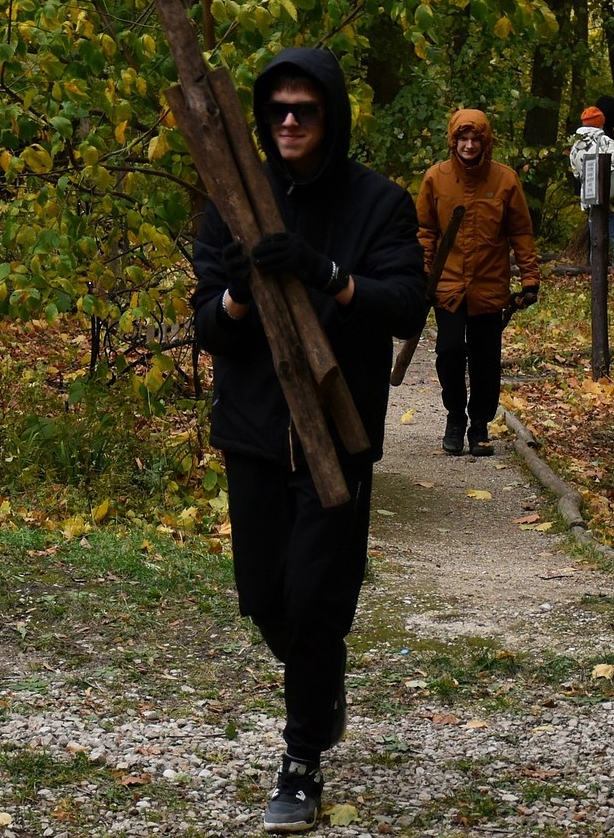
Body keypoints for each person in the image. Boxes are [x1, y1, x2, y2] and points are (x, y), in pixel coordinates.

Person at [191, 47, 427, 834]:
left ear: (333, 116)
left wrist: (325, 274)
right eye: (277, 111)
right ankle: (320, 683)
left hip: (338, 432)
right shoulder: (232, 201)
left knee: (317, 602)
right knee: (263, 597)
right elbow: (203, 328)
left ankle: (300, 764)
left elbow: (404, 305)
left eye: (306, 110)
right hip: (254, 430)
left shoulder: (378, 204)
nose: (289, 122)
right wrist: (234, 296)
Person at [417, 109, 540, 457]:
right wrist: (422, 273)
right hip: (449, 285)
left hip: (489, 286)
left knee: (486, 360)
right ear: (453, 141)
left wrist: (530, 278)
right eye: (462, 139)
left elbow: (520, 232)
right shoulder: (435, 179)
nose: (468, 145)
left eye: (475, 139)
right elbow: (425, 232)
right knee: (449, 351)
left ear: (485, 143)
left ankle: (480, 426)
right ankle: (455, 417)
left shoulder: (505, 180)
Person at [569, 100, 614, 295]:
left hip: (591, 201)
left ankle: (597, 285)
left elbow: (576, 174)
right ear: (600, 123)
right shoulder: (605, 141)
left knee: (596, 244)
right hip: (613, 201)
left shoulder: (575, 146)